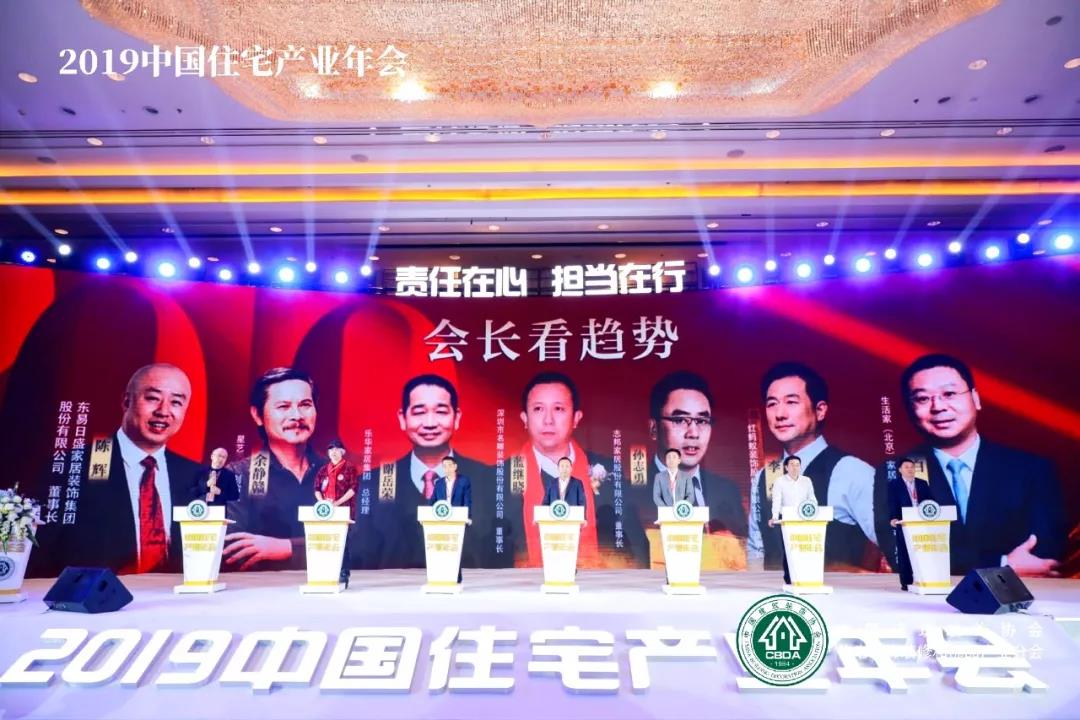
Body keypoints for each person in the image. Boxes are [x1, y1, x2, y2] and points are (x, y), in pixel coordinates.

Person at [888, 353, 1065, 577]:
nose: (938, 406)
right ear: (910, 410)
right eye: (923, 399)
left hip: (1018, 594)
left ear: (976, 399)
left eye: (949, 394)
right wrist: (1003, 564)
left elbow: (1046, 552)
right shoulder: (896, 474)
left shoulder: (1032, 470)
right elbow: (904, 554)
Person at [42, 363, 201, 575]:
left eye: (176, 402)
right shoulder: (80, 463)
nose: (163, 411)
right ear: (127, 401)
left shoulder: (195, 476)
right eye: (152, 398)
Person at [747, 362, 878, 572]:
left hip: (841, 592)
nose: (780, 414)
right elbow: (756, 551)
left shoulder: (851, 471)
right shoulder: (764, 476)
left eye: (791, 402)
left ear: (820, 410)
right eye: (772, 404)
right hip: (775, 592)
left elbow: (892, 541)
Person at [372, 374, 492, 569]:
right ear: (402, 418)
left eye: (441, 412)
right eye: (419, 412)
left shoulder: (488, 479)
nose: (429, 423)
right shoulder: (372, 482)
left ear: (456, 418)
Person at [512, 371, 614, 567]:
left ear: (576, 418)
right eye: (538, 409)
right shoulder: (498, 476)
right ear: (525, 418)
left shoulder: (609, 471)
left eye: (558, 409)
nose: (548, 420)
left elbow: (632, 549)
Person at [224, 367, 322, 571]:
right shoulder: (237, 475)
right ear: (257, 415)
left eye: (305, 405)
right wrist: (318, 548)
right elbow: (233, 550)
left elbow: (355, 543)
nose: (296, 415)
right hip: (261, 588)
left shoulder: (334, 472)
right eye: (283, 406)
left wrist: (286, 548)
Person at [648, 371, 747, 535]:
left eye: (702, 421)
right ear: (654, 428)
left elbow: (743, 545)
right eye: (680, 420)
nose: (693, 433)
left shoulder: (728, 491)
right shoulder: (631, 491)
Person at [315, 438, 358, 587]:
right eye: (330, 449)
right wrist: (323, 504)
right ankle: (327, 571)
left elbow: (353, 489)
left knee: (342, 543)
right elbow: (317, 489)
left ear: (342, 452)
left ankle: (343, 573)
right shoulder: (323, 470)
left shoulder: (349, 468)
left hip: (343, 510)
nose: (333, 452)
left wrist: (337, 503)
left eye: (336, 449)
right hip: (326, 512)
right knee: (326, 541)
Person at [768, 456, 818, 585]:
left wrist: (815, 512)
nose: (795, 467)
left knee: (804, 548)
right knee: (789, 550)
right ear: (786, 467)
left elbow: (812, 498)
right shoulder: (780, 481)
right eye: (792, 464)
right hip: (788, 519)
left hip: (805, 519)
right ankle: (789, 578)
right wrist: (774, 516)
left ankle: (805, 576)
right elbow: (777, 500)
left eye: (797, 464)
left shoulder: (806, 481)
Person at [887, 457, 935, 590]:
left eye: (912, 467)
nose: (910, 469)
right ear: (900, 470)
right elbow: (892, 502)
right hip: (904, 521)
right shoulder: (894, 484)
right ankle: (906, 582)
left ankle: (925, 579)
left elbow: (930, 501)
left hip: (922, 522)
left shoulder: (922, 483)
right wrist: (893, 518)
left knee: (923, 551)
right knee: (904, 552)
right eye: (906, 467)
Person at [430, 455, 473, 583]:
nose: (447, 468)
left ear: (455, 466)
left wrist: (467, 516)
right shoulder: (439, 483)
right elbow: (433, 501)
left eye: (449, 465)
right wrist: (429, 514)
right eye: (444, 466)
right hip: (441, 520)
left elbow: (467, 501)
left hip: (457, 520)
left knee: (454, 548)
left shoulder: (464, 481)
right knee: (442, 548)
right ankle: (441, 576)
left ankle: (456, 577)